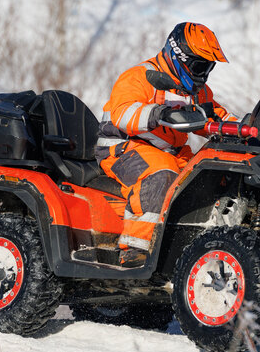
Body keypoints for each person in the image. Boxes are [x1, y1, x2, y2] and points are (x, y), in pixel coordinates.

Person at [96, 22, 236, 267]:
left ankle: (190, 248)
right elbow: (122, 113)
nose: (203, 73)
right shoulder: (139, 76)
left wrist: (238, 127)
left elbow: (211, 115)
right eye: (199, 65)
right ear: (179, 56)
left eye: (208, 67)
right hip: (124, 147)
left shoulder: (197, 91)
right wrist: (157, 113)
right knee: (162, 174)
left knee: (205, 174)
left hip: (169, 152)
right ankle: (135, 248)